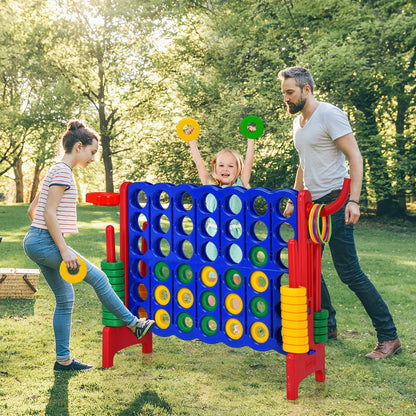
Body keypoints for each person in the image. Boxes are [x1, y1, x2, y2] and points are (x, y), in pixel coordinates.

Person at [278, 66, 401, 359]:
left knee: (349, 272)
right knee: (309, 268)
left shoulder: (329, 114)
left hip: (336, 200)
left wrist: (353, 200)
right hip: (311, 206)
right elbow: (303, 163)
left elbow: (354, 156)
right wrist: (295, 198)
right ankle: (328, 325)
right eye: (284, 92)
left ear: (307, 90)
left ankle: (389, 337)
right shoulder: (299, 123)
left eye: (290, 92)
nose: (286, 98)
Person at [23, 119, 155, 371]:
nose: (93, 158)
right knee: (100, 278)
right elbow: (48, 213)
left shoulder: (55, 169)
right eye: (92, 152)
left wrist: (45, 238)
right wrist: (61, 248)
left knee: (65, 298)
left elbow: (33, 211)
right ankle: (133, 324)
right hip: (42, 241)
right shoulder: (63, 172)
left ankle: (63, 360)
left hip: (36, 240)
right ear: (79, 146)